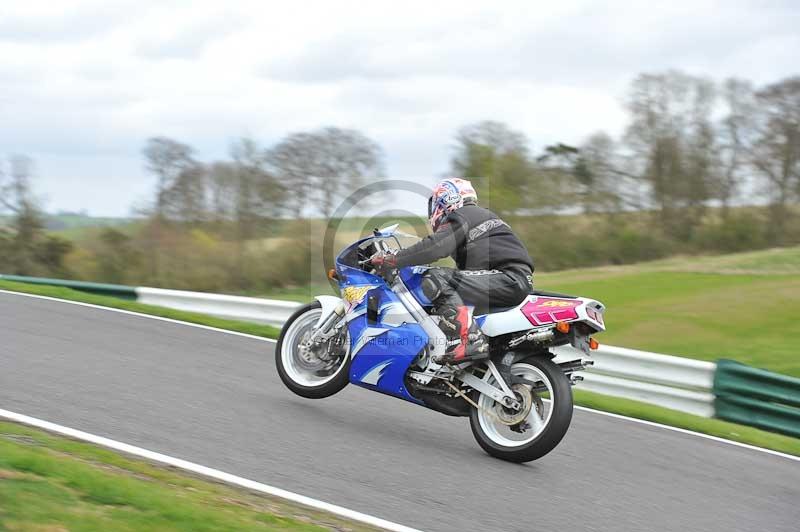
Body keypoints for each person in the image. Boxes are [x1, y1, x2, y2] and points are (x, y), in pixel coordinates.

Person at [370, 178, 534, 364]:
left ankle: (469, 340)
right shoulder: (478, 216)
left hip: (507, 277)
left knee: (436, 278)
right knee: (448, 289)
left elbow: (435, 247)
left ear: (447, 199)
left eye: (435, 204)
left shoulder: (463, 214)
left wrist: (393, 258)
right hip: (510, 279)